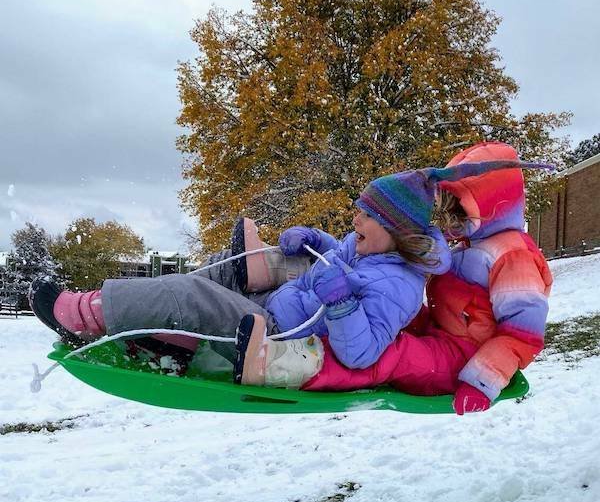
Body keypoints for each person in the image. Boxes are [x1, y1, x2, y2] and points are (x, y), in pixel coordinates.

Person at [234, 142, 554, 415]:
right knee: (374, 295)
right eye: (448, 208)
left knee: (391, 353)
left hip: (464, 354)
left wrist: (483, 381)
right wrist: (319, 246)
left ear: (493, 206)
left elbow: (522, 335)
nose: (450, 220)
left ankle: (286, 365)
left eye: (461, 211)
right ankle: (271, 267)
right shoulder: (467, 243)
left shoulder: (513, 256)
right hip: (435, 328)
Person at [28, 168, 451, 372]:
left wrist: (340, 303)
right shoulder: (371, 251)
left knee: (196, 298)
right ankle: (170, 336)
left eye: (366, 216)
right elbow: (338, 258)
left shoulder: (400, 286)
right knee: (215, 274)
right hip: (278, 305)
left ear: (396, 229)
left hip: (277, 335)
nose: (355, 221)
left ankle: (87, 315)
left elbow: (361, 353)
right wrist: (317, 242)